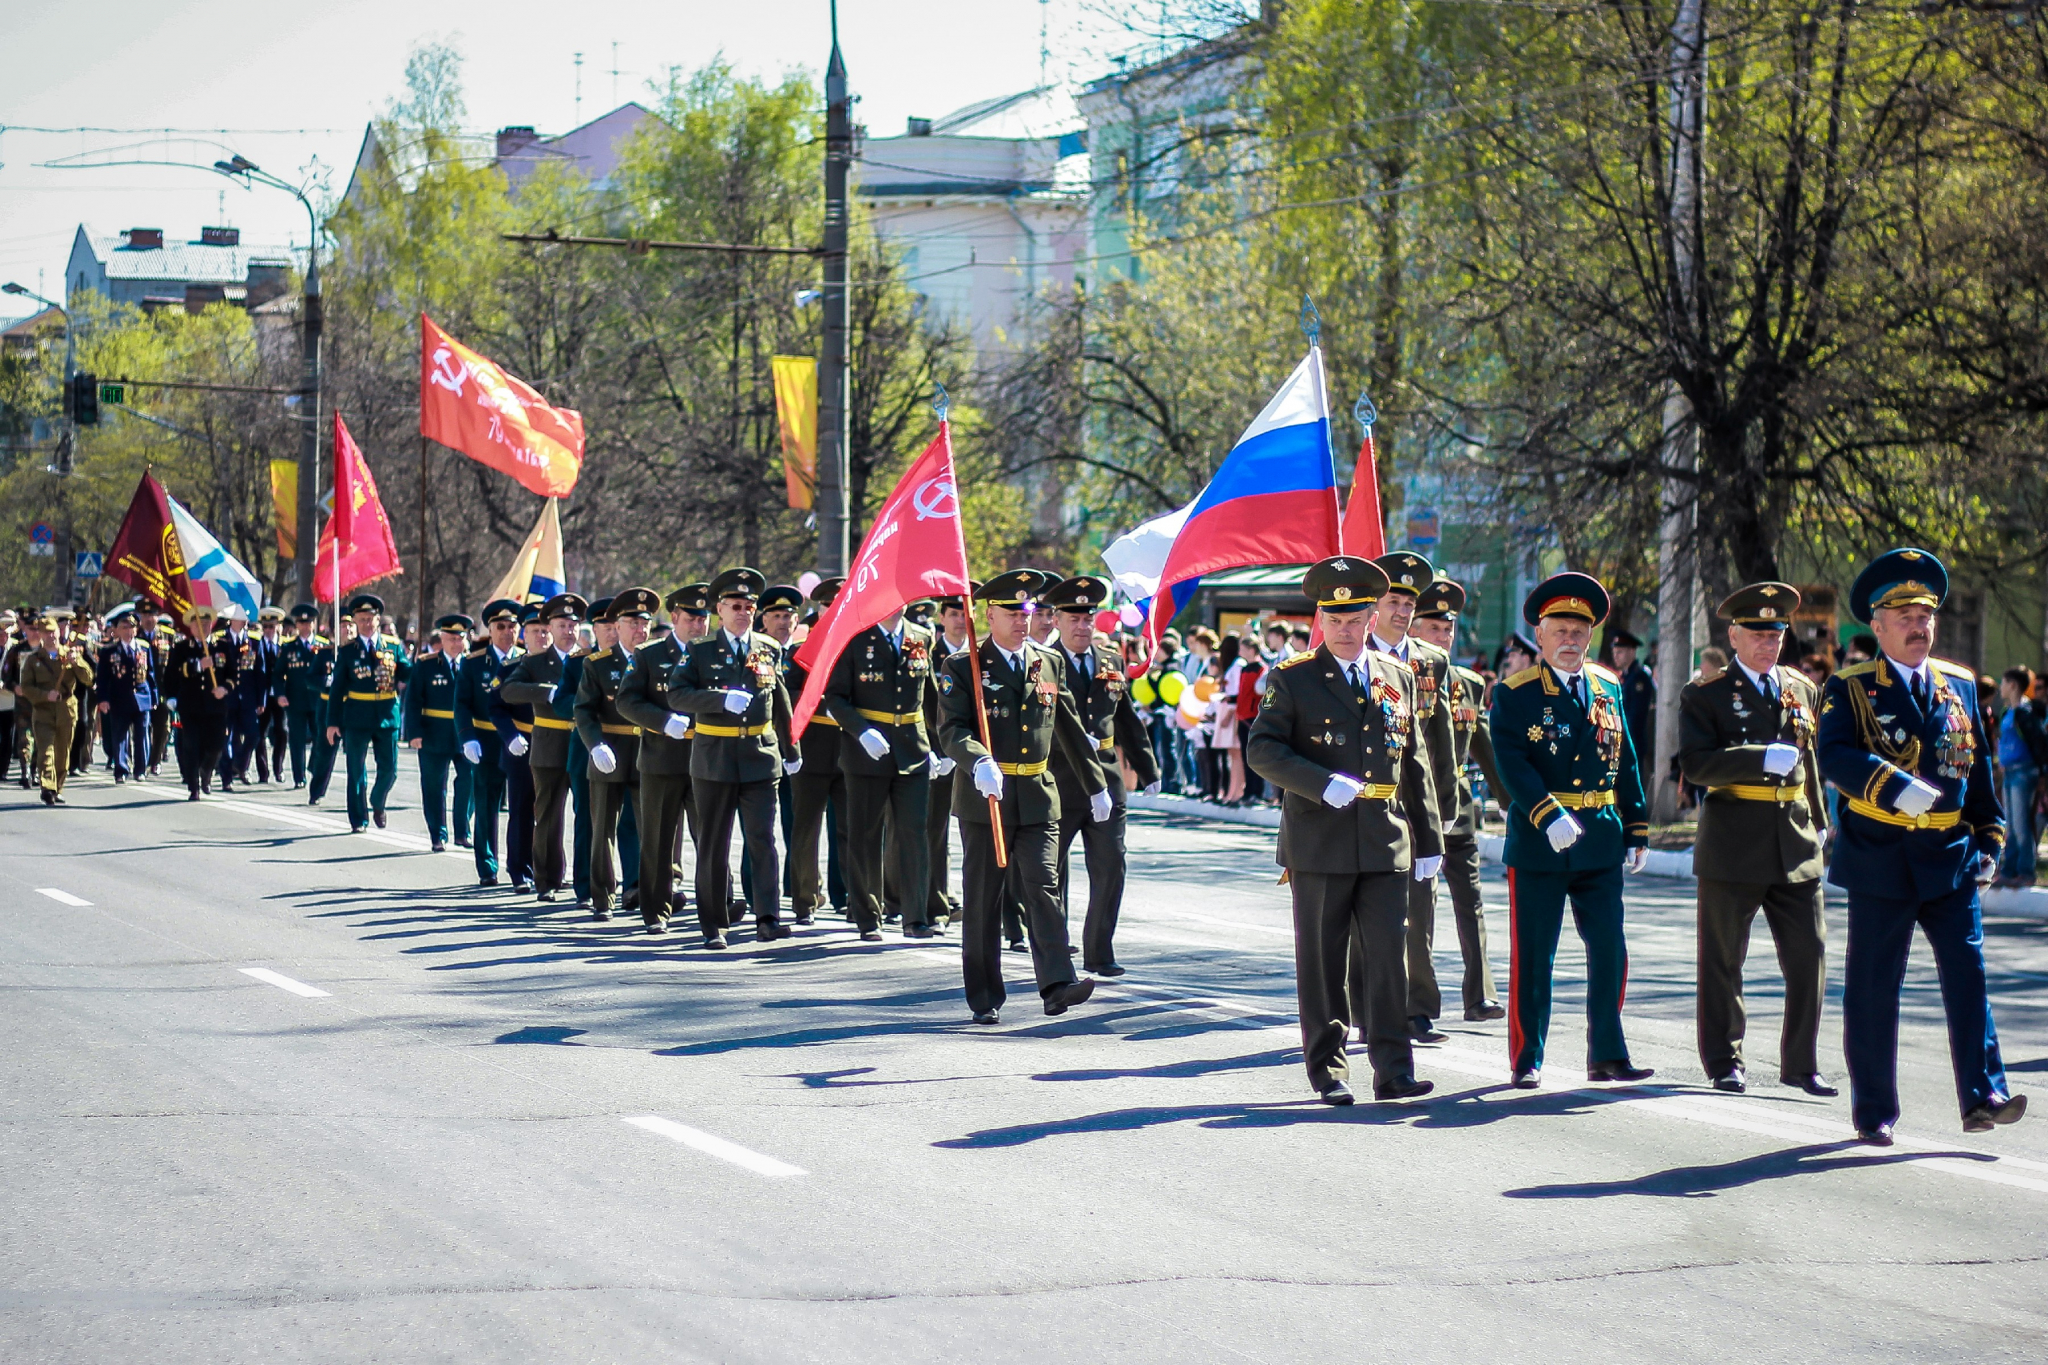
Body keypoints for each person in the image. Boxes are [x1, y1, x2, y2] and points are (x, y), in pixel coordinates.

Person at [1819, 547, 2025, 1143]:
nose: (1919, 626)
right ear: (1877, 625)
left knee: (1969, 977)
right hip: (1882, 860)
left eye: (1926, 615)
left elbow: (1977, 769)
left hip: (1949, 861)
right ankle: (1875, 1110)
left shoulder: (1958, 683)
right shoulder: (1852, 685)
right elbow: (1833, 754)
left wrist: (1988, 837)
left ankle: (1983, 1095)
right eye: (1905, 615)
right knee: (1874, 990)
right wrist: (1889, 785)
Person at [1245, 555, 1443, 1104]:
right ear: (1321, 621)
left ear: (1373, 619)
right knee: (1323, 962)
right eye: (1335, 621)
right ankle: (1329, 1070)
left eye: (1356, 620)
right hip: (1319, 839)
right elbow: (1261, 749)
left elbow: (1415, 760)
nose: (1346, 631)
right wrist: (1316, 781)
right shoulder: (1294, 678)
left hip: (1384, 837)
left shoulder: (1397, 675)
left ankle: (1393, 1069)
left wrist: (1428, 839)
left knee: (1387, 958)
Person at [1487, 571, 1653, 1088]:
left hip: (1599, 836)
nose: (1570, 639)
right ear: (1539, 635)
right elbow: (1511, 763)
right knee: (1536, 956)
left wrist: (1637, 824)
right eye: (1559, 629)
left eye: (1580, 630)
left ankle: (1607, 1053)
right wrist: (1545, 813)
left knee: (1610, 949)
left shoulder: (1607, 685)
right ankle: (1527, 1059)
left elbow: (1623, 755)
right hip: (1542, 840)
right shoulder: (1515, 694)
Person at [1677, 582, 1834, 1096]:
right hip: (1734, 839)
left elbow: (1809, 758)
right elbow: (1697, 765)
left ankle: (1801, 1064)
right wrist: (1756, 757)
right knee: (1723, 960)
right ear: (1734, 636)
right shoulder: (1707, 695)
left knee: (1809, 956)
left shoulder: (1801, 688)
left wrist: (1820, 816)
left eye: (1776, 633)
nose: (1769, 643)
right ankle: (1725, 1060)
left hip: (1794, 840)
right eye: (1758, 634)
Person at [935, 570, 1108, 1024]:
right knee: (983, 898)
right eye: (1012, 612)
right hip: (986, 799)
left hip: (1035, 794)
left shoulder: (1048, 662)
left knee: (1043, 886)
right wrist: (977, 761)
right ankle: (985, 995)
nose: (1021, 619)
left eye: (1027, 611)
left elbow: (1068, 727)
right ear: (989, 614)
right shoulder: (963, 666)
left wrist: (1096, 785)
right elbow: (951, 729)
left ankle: (1056, 985)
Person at [666, 568, 800, 948]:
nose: (742, 612)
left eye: (748, 606)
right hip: (716, 759)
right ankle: (713, 924)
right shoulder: (700, 650)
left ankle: (768, 917)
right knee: (714, 843)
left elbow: (780, 703)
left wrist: (791, 749)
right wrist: (718, 700)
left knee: (762, 840)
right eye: (735, 606)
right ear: (719, 610)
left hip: (759, 757)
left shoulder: (768, 648)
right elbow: (677, 696)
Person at [1360, 551, 1461, 1044]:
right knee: (1369, 914)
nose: (1400, 611)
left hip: (1418, 803)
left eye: (1408, 602)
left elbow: (1439, 744)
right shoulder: (1351, 652)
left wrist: (1441, 817)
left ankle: (1419, 1009)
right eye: (1392, 600)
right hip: (1366, 801)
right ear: (1374, 605)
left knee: (1421, 910)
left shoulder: (1431, 661)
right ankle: (1366, 1008)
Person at [1042, 575, 1161, 975]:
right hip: (1059, 779)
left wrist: (1148, 768)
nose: (1082, 626)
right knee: (1051, 872)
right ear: (1056, 620)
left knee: (1111, 865)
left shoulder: (1109, 659)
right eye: (1073, 618)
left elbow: (1125, 716)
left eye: (1088, 618)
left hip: (1108, 780)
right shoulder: (1040, 662)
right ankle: (1055, 949)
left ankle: (1100, 950)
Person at [1409, 579, 1507, 1022]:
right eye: (1434, 628)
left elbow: (1483, 744)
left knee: (1471, 901)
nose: (1443, 637)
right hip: (1415, 811)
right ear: (1413, 628)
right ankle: (1420, 1004)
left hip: (1461, 809)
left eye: (1448, 630)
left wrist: (1510, 801)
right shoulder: (1401, 673)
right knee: (1420, 907)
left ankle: (1480, 994)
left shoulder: (1468, 682)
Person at [823, 593, 943, 941]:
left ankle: (915, 915)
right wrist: (861, 732)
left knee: (915, 835)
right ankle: (867, 916)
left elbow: (930, 697)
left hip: (912, 750)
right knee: (864, 836)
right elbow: (836, 696)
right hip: (868, 753)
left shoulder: (920, 637)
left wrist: (940, 746)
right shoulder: (856, 638)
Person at [618, 584, 708, 928]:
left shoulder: (714, 654)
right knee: (657, 839)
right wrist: (661, 721)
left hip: (704, 758)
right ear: (674, 618)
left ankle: (718, 904)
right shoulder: (650, 654)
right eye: (691, 618)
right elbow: (627, 700)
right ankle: (656, 909)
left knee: (711, 837)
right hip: (661, 758)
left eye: (704, 618)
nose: (699, 625)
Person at [499, 593, 586, 902]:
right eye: (562, 625)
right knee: (548, 817)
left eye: (573, 625)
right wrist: (543, 693)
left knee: (587, 816)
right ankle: (546, 879)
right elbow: (508, 691)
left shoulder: (589, 660)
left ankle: (585, 883)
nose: (568, 631)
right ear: (551, 627)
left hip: (583, 745)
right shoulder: (535, 662)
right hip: (548, 746)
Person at [578, 589, 657, 923]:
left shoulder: (657, 660)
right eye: (633, 623)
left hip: (647, 752)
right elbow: (584, 710)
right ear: (618, 626)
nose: (640, 629)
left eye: (645, 623)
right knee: (603, 830)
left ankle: (647, 892)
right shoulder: (597, 664)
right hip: (609, 751)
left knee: (650, 828)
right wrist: (595, 745)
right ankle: (602, 896)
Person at [324, 592, 412, 834]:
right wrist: (332, 722)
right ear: (355, 621)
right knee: (356, 769)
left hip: (386, 714)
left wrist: (414, 667)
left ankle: (377, 800)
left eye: (370, 618)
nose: (365, 623)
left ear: (378, 619)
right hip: (357, 715)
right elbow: (337, 690)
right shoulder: (348, 651)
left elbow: (406, 673)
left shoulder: (393, 646)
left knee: (390, 769)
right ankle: (358, 818)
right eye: (360, 619)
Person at [454, 600, 521, 887]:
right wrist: (467, 738)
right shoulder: (474, 662)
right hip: (486, 741)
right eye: (500, 627)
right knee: (486, 805)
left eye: (512, 626)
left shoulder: (527, 659)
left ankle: (521, 867)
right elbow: (462, 704)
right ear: (490, 630)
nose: (507, 632)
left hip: (519, 742)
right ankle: (488, 866)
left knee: (521, 807)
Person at [923, 586, 974, 923]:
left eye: (964, 613)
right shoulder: (927, 654)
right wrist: (933, 749)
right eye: (953, 614)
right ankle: (934, 902)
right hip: (938, 755)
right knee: (934, 832)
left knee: (977, 833)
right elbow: (922, 705)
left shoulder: (982, 655)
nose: (959, 620)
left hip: (973, 757)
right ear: (941, 618)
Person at [403, 613, 475, 853]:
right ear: (442, 639)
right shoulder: (426, 664)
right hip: (433, 733)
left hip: (466, 734)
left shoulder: (473, 664)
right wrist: (414, 732)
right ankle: (437, 833)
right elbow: (413, 700)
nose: (456, 643)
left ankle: (462, 831)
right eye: (451, 638)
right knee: (434, 786)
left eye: (460, 639)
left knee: (469, 781)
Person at [491, 605, 550, 893]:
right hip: (522, 748)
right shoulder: (511, 668)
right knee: (522, 810)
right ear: (524, 635)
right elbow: (496, 707)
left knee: (553, 812)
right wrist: (510, 736)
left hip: (557, 745)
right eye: (535, 631)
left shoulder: (567, 666)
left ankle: (550, 869)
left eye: (545, 630)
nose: (541, 636)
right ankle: (520, 870)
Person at [19, 615, 96, 806]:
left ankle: (57, 787)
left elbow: (88, 678)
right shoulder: (33, 659)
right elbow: (26, 687)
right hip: (43, 710)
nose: (51, 636)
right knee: (46, 750)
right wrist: (45, 695)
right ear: (41, 635)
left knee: (63, 752)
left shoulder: (69, 654)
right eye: (46, 632)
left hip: (66, 709)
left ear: (59, 632)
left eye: (53, 631)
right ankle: (47, 787)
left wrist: (76, 662)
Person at [166, 605, 237, 800]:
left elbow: (233, 674)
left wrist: (225, 689)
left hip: (215, 706)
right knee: (191, 746)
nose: (204, 627)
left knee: (215, 746)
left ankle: (206, 772)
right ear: (191, 627)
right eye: (199, 624)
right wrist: (197, 666)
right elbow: (173, 673)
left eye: (207, 624)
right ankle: (194, 787)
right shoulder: (181, 649)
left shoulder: (222, 646)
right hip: (191, 706)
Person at [1995, 667, 2046, 887]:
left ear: (2013, 685)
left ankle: (2025, 872)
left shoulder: (2025, 713)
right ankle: (2009, 870)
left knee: (2021, 824)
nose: (2001, 687)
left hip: (2024, 773)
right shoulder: (2008, 712)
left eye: (2004, 682)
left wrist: (2043, 773)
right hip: (2010, 772)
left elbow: (2039, 743)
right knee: (2011, 825)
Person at [93, 604, 155, 783]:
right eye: (124, 627)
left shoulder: (143, 648)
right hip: (119, 698)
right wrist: (103, 699)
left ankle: (140, 769)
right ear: (117, 630)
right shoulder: (110, 651)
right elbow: (103, 678)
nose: (128, 631)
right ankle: (121, 770)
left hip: (142, 698)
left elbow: (150, 674)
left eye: (132, 627)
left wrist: (154, 696)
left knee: (142, 735)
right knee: (119, 735)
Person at [274, 605, 327, 789]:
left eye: (308, 623)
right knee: (297, 740)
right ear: (297, 624)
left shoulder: (323, 646)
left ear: (314, 624)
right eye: (301, 623)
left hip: (318, 699)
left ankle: (313, 765)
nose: (305, 627)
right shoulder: (289, 647)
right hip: (295, 700)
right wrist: (280, 694)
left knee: (320, 736)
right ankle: (299, 776)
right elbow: (278, 674)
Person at [215, 604, 264, 790]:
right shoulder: (219, 640)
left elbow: (260, 672)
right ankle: (226, 778)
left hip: (248, 697)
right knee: (225, 739)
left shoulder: (254, 641)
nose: (243, 620)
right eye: (239, 616)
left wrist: (262, 700)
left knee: (253, 735)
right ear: (230, 618)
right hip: (226, 697)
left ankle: (240, 764)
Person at [1610, 628, 1657, 798]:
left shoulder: (1639, 677)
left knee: (1632, 789)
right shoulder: (1626, 677)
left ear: (1632, 651)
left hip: (1633, 742)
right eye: (1615, 652)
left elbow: (1635, 717)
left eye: (1620, 652)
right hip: (1623, 742)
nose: (1616, 656)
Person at [252, 606, 288, 783]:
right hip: (263, 696)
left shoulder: (285, 646)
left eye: (271, 627)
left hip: (280, 695)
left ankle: (278, 768)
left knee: (282, 730)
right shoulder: (255, 645)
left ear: (279, 627)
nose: (268, 630)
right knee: (260, 733)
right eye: (265, 627)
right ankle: (263, 772)